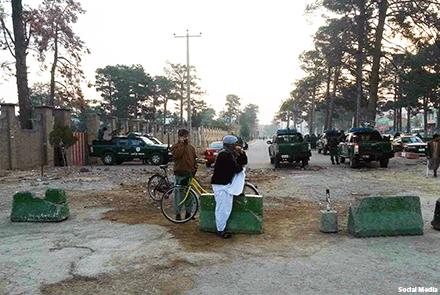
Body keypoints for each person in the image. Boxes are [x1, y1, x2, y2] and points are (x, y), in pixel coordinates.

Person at [211, 135, 248, 239]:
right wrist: (241, 167)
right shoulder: (225, 155)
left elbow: (243, 162)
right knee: (223, 208)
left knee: (226, 207)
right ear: (231, 145)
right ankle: (220, 230)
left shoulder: (229, 153)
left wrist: (241, 153)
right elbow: (236, 168)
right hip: (221, 185)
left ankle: (221, 228)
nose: (237, 146)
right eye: (235, 144)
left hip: (224, 184)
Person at [170, 129, 197, 220]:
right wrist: (182, 144)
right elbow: (177, 156)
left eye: (186, 136)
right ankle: (178, 214)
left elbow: (194, 159)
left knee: (190, 195)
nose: (185, 138)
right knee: (179, 195)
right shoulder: (175, 147)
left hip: (189, 174)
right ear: (179, 137)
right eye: (183, 136)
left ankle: (188, 213)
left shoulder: (191, 148)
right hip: (179, 174)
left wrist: (194, 169)